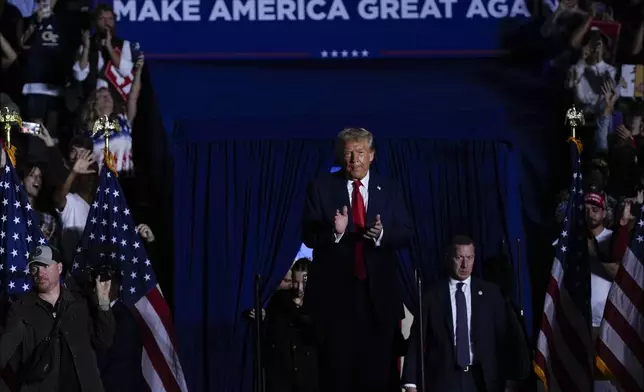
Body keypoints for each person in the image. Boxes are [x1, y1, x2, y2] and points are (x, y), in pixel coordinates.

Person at [302, 127, 413, 392]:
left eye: (360, 153)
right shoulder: (321, 188)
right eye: (349, 154)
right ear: (341, 156)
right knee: (337, 375)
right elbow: (308, 235)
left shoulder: (390, 189)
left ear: (372, 155)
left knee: (376, 376)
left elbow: (407, 232)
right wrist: (334, 233)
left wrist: (382, 234)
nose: (354, 160)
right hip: (336, 300)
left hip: (378, 301)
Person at [402, 235, 521, 392]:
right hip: (444, 379)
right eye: (459, 257)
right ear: (449, 258)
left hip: (482, 380)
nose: (465, 264)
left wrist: (510, 380)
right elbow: (417, 340)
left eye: (469, 257)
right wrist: (411, 383)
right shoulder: (431, 296)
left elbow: (504, 339)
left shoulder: (491, 294)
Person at [0, 245, 115, 391]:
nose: (39, 273)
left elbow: (104, 342)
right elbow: (3, 352)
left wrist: (104, 302)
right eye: (35, 268)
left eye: (45, 266)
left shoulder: (80, 303)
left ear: (59, 268)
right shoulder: (21, 309)